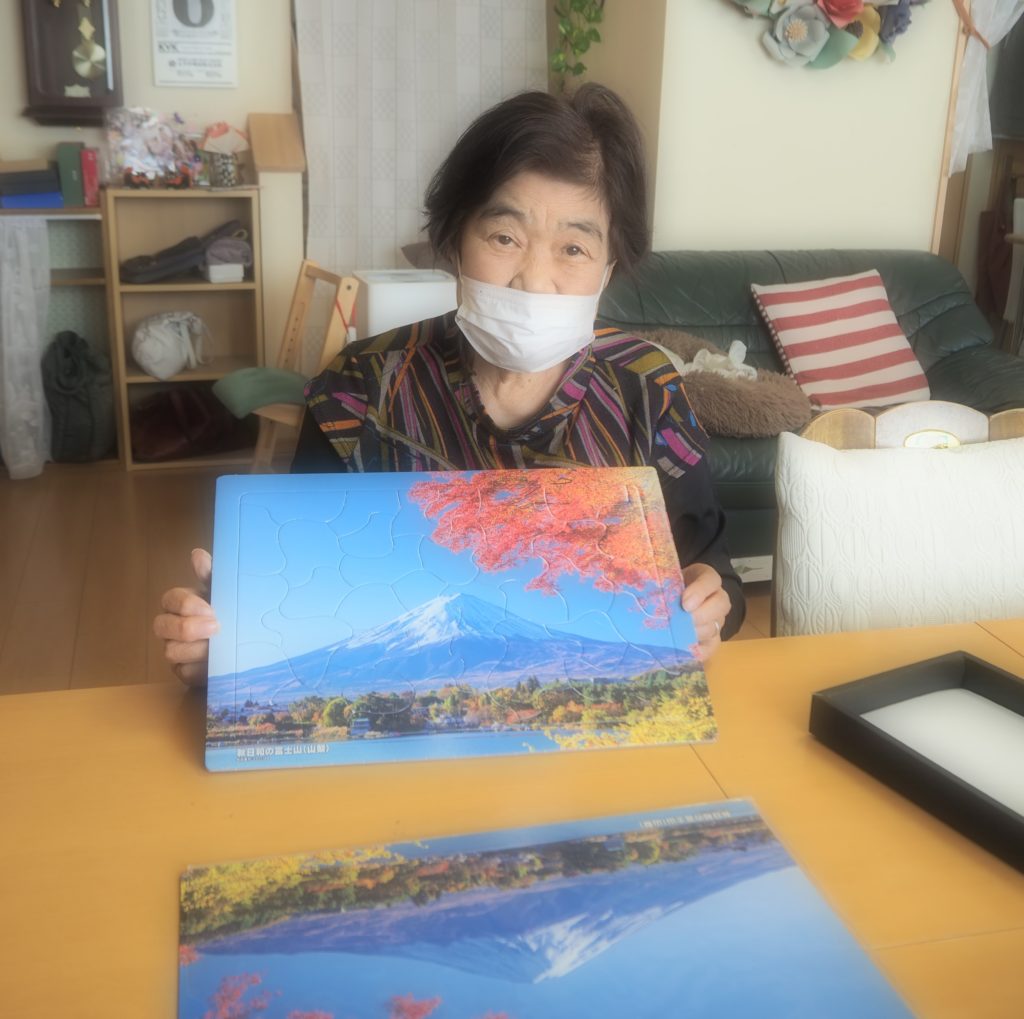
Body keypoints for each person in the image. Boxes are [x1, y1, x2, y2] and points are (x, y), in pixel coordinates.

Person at [155, 84, 745, 688]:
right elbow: (300, 583)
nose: (533, 280)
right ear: (454, 241)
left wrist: (709, 606)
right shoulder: (358, 390)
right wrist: (224, 641)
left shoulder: (647, 391)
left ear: (608, 269)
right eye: (505, 238)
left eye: (573, 248)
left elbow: (714, 569)